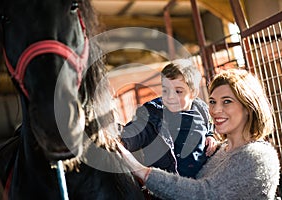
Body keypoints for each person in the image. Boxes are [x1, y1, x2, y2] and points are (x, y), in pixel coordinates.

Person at [117, 69, 280, 199]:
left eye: (227, 101)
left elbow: (206, 194)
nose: (215, 110)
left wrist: (141, 171)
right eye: (212, 102)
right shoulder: (218, 151)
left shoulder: (258, 155)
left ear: (248, 107)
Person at [120, 59, 218, 179]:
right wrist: (122, 140)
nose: (170, 96)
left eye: (178, 91)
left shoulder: (201, 108)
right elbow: (138, 129)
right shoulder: (154, 114)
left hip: (199, 180)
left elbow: (209, 122)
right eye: (165, 90)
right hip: (168, 183)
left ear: (193, 93)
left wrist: (210, 135)